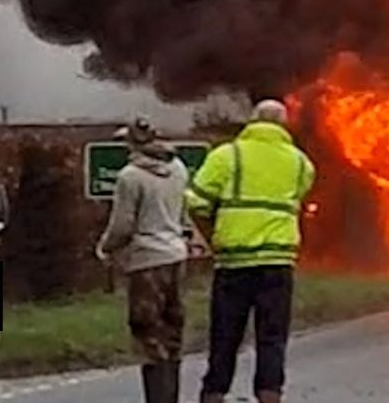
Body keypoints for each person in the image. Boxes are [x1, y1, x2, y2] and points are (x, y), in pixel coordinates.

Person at [187, 100, 316, 403]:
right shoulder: (300, 163)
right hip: (278, 262)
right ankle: (270, 395)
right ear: (283, 126)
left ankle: (214, 393)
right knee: (272, 336)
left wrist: (212, 236)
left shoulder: (226, 157)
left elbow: (196, 203)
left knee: (225, 334)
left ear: (252, 121)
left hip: (233, 260)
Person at [96, 117, 190, 403]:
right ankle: (171, 396)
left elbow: (123, 224)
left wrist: (105, 247)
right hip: (176, 256)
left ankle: (157, 399)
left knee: (148, 332)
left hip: (147, 261)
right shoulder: (179, 169)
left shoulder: (130, 176)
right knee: (172, 331)